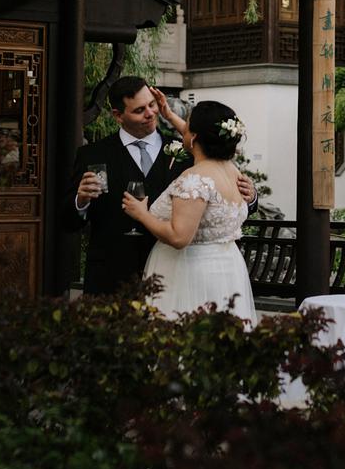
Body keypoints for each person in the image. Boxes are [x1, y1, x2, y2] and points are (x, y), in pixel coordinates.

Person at [68, 77, 255, 295]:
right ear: (118, 116)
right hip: (111, 275)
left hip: (176, 276)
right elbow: (67, 220)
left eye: (152, 105)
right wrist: (80, 201)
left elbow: (220, 199)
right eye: (139, 110)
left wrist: (250, 197)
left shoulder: (192, 151)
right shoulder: (93, 154)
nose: (149, 113)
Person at [120, 98, 257, 322]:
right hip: (226, 268)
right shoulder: (233, 171)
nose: (183, 128)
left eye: (188, 125)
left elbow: (179, 236)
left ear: (194, 138)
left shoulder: (195, 178)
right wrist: (169, 115)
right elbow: (198, 132)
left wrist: (141, 213)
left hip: (188, 272)